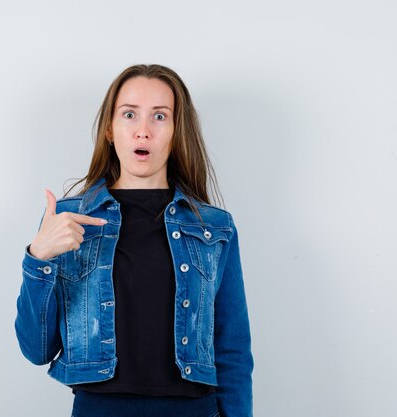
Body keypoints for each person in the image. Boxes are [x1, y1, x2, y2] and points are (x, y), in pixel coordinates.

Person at [15, 64, 253, 417]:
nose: (143, 131)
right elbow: (36, 349)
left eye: (160, 116)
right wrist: (39, 258)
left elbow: (232, 348)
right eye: (130, 114)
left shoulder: (214, 228)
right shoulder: (69, 221)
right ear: (111, 130)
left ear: (176, 131)